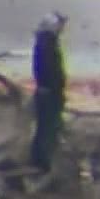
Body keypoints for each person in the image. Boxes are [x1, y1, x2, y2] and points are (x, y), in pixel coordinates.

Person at [30, 13, 68, 172]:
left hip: (49, 93)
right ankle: (42, 162)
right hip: (49, 94)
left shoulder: (46, 43)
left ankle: (43, 159)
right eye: (60, 25)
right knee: (47, 128)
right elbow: (49, 71)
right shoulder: (47, 44)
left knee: (47, 127)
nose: (62, 29)